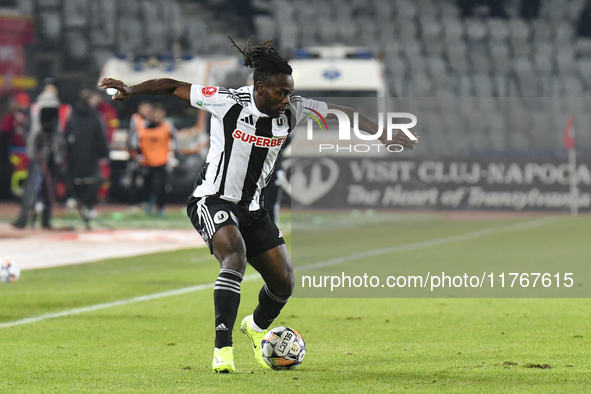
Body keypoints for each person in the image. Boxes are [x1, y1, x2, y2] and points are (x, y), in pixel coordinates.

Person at [99, 37, 418, 373]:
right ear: (260, 87)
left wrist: (382, 134)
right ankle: (222, 350)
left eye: (290, 92)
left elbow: (343, 113)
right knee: (234, 256)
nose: (287, 98)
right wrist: (132, 89)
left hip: (253, 208)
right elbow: (172, 86)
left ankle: (255, 326)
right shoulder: (226, 101)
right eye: (281, 92)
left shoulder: (294, 109)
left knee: (284, 282)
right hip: (212, 198)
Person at [12, 82, 68, 229]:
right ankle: (26, 217)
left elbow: (60, 130)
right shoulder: (35, 108)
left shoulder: (61, 109)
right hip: (40, 150)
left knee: (47, 186)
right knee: (33, 185)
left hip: (50, 150)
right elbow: (28, 129)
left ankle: (41, 218)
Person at [64, 89, 109, 228]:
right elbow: (101, 136)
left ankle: (75, 203)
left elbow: (67, 133)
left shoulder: (72, 114)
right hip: (91, 155)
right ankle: (88, 207)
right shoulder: (95, 115)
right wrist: (105, 153)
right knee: (92, 181)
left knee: (76, 181)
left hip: (75, 155)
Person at [135, 103, 177, 216]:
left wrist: (173, 156)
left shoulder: (167, 127)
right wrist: (138, 155)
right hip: (147, 161)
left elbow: (175, 142)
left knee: (163, 185)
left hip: (162, 160)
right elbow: (137, 142)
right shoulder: (143, 126)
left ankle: (160, 207)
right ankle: (147, 204)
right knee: (147, 185)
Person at [0, 92, 30, 200]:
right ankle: (10, 195)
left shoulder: (29, 117)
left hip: (26, 151)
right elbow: (4, 131)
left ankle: (24, 194)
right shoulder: (10, 117)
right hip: (13, 151)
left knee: (25, 175)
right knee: (13, 175)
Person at [126, 101, 153, 209]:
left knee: (148, 179)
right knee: (134, 179)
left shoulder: (151, 121)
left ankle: (145, 202)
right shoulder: (136, 119)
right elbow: (132, 137)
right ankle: (132, 203)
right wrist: (134, 153)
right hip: (137, 152)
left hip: (149, 153)